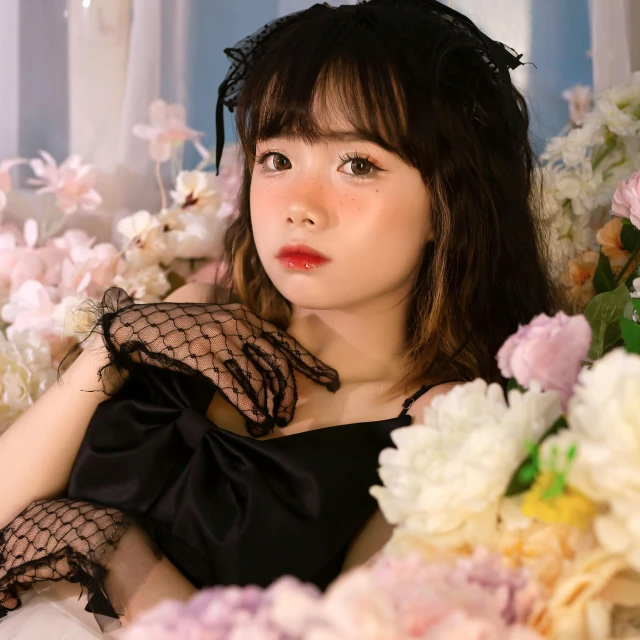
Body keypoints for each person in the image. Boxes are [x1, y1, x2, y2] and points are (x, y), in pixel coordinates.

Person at [0, 0, 558, 631]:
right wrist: (110, 345)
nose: (299, 205)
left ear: (449, 202)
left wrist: (116, 555)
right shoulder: (187, 322)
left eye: (357, 164)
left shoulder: (444, 428)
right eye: (277, 159)